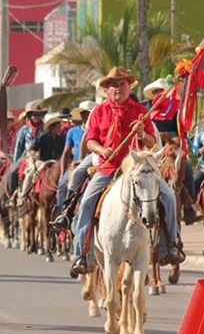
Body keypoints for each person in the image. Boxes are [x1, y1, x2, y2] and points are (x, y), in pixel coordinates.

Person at [71, 68, 185, 275]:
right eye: (113, 84)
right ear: (107, 89)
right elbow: (89, 141)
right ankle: (83, 252)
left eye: (122, 84)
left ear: (128, 87)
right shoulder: (98, 111)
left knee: (168, 197)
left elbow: (152, 144)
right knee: (87, 201)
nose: (118, 88)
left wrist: (142, 134)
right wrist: (101, 149)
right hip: (109, 167)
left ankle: (169, 245)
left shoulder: (140, 111)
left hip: (137, 168)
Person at [17, 113, 66, 204]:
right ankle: (23, 195)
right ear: (52, 128)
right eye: (58, 127)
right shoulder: (43, 138)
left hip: (58, 163)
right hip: (44, 162)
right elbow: (33, 148)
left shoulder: (61, 139)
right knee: (31, 173)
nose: (60, 128)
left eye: (60, 126)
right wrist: (32, 154)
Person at [6, 101, 46, 203]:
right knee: (12, 172)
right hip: (26, 156)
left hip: (42, 156)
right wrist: (16, 161)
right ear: (30, 116)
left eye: (39, 115)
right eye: (35, 115)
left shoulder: (45, 129)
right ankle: (12, 196)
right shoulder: (24, 130)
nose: (37, 117)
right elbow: (18, 147)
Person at [56, 106, 88, 211]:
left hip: (95, 163)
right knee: (62, 185)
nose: (88, 116)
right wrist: (62, 174)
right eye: (85, 113)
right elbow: (66, 153)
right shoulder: (72, 131)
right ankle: (61, 213)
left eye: (90, 113)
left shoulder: (98, 129)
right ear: (82, 115)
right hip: (76, 163)